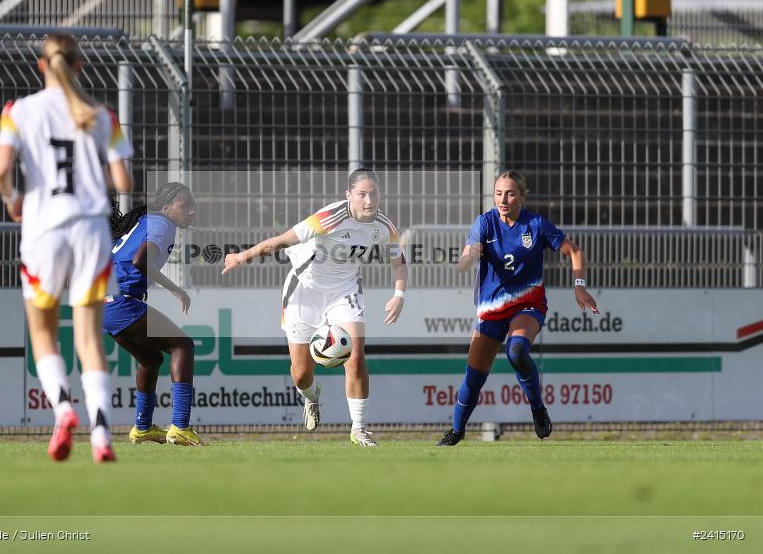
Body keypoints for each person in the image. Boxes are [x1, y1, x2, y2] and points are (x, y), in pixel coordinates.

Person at [0, 34, 133, 463]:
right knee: (90, 338)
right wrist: (93, 187)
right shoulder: (103, 115)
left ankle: (63, 409)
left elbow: (0, 171)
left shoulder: (19, 111)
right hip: (91, 229)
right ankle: (103, 435)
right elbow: (124, 183)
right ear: (81, 65)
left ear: (41, 65)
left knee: (42, 332)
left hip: (43, 230)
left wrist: (13, 199)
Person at [222, 168, 408, 446]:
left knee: (356, 359)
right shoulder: (328, 218)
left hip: (345, 293)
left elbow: (399, 262)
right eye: (362, 194)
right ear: (349, 195)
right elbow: (281, 241)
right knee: (301, 372)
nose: (369, 201)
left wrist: (398, 295)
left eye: (374, 194)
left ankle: (359, 429)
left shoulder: (384, 226)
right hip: (304, 292)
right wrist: (241, 257)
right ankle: (311, 397)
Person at [436, 170, 599, 446]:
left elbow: (574, 251)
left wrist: (579, 285)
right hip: (491, 309)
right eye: (498, 193)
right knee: (474, 375)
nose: (503, 199)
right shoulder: (485, 223)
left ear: (522, 196)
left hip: (528, 305)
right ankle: (456, 430)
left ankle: (537, 408)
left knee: (517, 348)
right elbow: (462, 262)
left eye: (510, 193)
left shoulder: (535, 224)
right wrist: (467, 257)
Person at [104, 182, 202, 446]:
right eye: (185, 206)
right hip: (120, 302)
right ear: (167, 207)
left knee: (151, 359)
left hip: (102, 304)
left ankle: (143, 428)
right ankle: (180, 427)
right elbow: (139, 261)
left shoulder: (147, 220)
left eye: (193, 206)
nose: (191, 211)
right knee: (183, 346)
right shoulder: (163, 225)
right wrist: (176, 290)